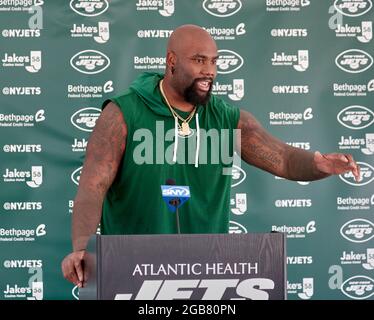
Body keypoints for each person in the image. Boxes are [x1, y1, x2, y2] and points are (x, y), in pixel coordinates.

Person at [61, 24, 360, 288]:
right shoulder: (123, 113)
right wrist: (80, 248)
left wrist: (318, 164)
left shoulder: (225, 118)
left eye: (214, 62)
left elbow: (281, 158)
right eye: (199, 60)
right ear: (172, 62)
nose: (210, 71)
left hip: (207, 269)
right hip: (131, 268)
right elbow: (92, 187)